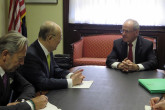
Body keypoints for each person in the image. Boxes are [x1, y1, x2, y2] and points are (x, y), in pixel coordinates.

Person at [20, 21, 85, 91]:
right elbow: (42, 83)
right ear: (50, 38)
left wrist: (70, 75)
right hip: (37, 95)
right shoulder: (31, 55)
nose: (60, 41)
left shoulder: (47, 49)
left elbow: (55, 69)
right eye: (60, 38)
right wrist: (71, 82)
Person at [0, 31, 48, 110]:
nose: (22, 63)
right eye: (20, 59)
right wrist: (31, 105)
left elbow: (28, 87)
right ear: (5, 55)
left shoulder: (9, 70)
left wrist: (21, 101)